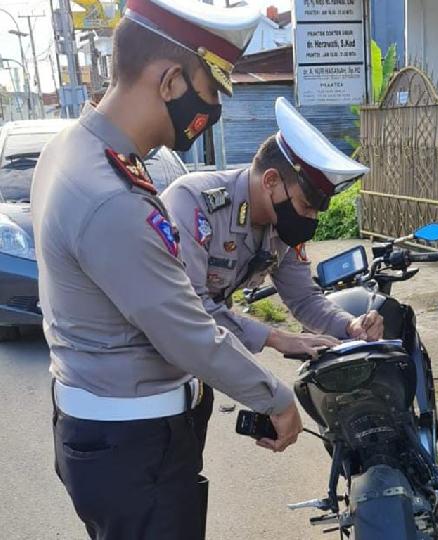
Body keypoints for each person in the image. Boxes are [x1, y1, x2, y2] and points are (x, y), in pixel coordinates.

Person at [31, 1, 304, 538]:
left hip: (112, 435)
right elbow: (187, 334)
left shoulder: (70, 148)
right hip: (135, 450)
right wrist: (275, 396)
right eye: (211, 92)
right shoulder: (111, 197)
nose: (212, 111)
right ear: (171, 81)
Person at [160, 96, 383, 361]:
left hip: (202, 352)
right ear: (271, 181)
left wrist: (350, 325)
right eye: (305, 205)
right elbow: (190, 309)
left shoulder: (280, 228)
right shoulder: (194, 203)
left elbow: (303, 298)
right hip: (150, 358)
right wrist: (276, 337)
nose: (310, 219)